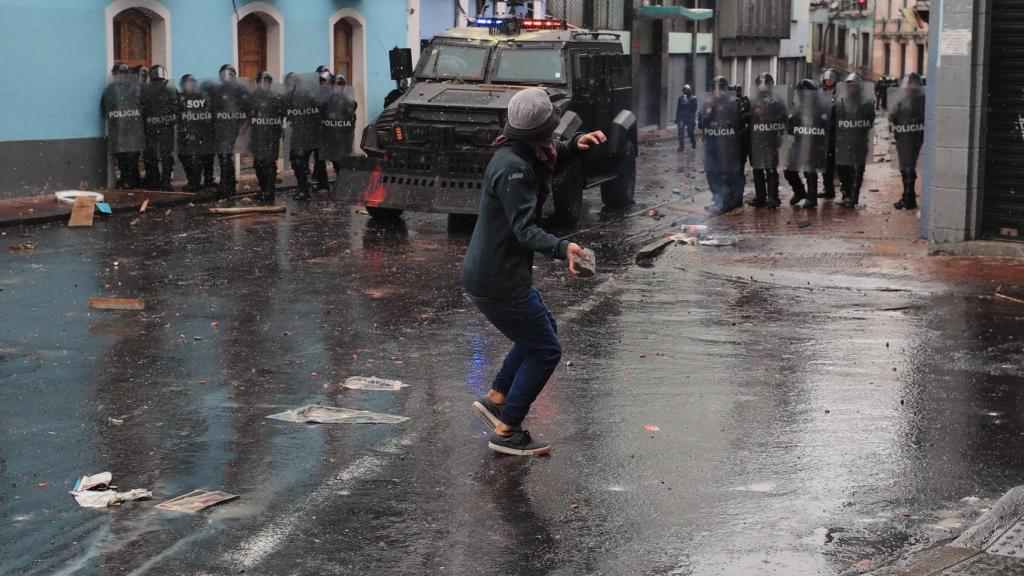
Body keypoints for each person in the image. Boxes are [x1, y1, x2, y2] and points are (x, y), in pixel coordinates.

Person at [463, 87, 604, 457]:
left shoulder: (523, 151)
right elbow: (523, 230)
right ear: (539, 131)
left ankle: (496, 399)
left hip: (499, 272)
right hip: (498, 279)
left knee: (541, 334)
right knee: (545, 350)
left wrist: (576, 145)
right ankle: (507, 430)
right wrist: (564, 248)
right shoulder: (514, 168)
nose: (554, 136)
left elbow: (553, 151)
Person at [698, 76, 745, 215]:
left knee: (728, 174)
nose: (717, 91)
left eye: (720, 88)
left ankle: (729, 200)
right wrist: (708, 114)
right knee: (712, 173)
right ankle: (719, 199)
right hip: (713, 144)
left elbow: (740, 121)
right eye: (715, 88)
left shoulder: (733, 103)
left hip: (728, 144)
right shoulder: (708, 104)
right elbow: (702, 124)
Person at [783, 79, 830, 209]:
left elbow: (825, 126)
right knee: (789, 171)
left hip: (814, 143)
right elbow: (791, 128)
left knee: (810, 171)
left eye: (806, 92)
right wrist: (790, 121)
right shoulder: (798, 108)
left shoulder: (820, 107)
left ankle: (812, 198)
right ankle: (799, 192)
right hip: (799, 143)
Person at [835, 73, 876, 208]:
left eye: (854, 85)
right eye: (849, 85)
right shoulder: (841, 100)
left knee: (857, 169)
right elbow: (836, 118)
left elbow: (870, 120)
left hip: (859, 139)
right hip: (844, 140)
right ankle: (846, 193)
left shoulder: (866, 102)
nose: (852, 87)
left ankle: (854, 196)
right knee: (843, 167)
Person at [747, 73, 787, 209]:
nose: (762, 86)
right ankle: (760, 196)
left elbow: (783, 117)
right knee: (757, 169)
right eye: (760, 83)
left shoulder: (777, 100)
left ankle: (773, 197)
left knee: (770, 169)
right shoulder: (752, 100)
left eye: (765, 83)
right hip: (756, 138)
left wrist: (767, 116)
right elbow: (746, 117)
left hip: (771, 138)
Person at [101, 63, 144, 189]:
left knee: (131, 158)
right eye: (118, 74)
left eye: (122, 74)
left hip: (132, 129)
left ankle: (131, 181)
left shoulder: (133, 88)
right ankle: (128, 180)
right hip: (120, 129)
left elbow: (141, 105)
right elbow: (105, 108)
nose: (119, 76)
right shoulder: (111, 90)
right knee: (123, 158)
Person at [211, 64, 250, 198]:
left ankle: (226, 187)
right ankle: (227, 185)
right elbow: (214, 107)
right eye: (223, 75)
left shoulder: (239, 90)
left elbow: (247, 108)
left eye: (228, 75)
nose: (225, 78)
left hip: (232, 127)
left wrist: (241, 124)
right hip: (220, 127)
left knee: (225, 156)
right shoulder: (218, 90)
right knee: (224, 157)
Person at [248, 71, 285, 204]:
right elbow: (247, 113)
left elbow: (283, 113)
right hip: (257, 134)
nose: (264, 84)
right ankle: (263, 189)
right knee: (258, 163)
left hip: (271, 135)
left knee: (269, 163)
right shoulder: (252, 97)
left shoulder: (276, 97)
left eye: (266, 82)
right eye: (261, 81)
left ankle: (269, 192)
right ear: (258, 83)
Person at [890, 73, 926, 210]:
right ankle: (907, 197)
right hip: (903, 137)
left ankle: (908, 198)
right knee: (904, 169)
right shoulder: (901, 100)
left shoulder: (921, 100)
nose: (908, 87)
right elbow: (893, 115)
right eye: (907, 84)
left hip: (914, 137)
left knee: (908, 168)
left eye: (911, 84)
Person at [140, 64, 178, 190]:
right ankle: (166, 180)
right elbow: (177, 107)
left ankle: (153, 180)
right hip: (167, 127)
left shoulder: (145, 89)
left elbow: (142, 108)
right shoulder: (171, 88)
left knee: (151, 154)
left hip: (150, 127)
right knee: (166, 154)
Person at [285, 73, 321, 200]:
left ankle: (305, 189)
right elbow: (280, 108)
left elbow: (320, 109)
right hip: (299, 132)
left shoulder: (308, 96)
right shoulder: (289, 97)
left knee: (299, 160)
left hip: (308, 132)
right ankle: (304, 187)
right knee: (298, 161)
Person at [177, 74, 215, 192]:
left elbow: (209, 112)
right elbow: (177, 113)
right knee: (186, 156)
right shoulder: (181, 97)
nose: (191, 85)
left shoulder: (202, 96)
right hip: (187, 132)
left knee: (203, 157)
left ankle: (198, 182)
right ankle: (195, 181)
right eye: (188, 82)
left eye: (193, 82)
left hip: (202, 131)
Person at [320, 74, 358, 174]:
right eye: (336, 85)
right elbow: (322, 112)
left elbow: (351, 115)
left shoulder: (348, 99)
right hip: (332, 134)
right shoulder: (329, 99)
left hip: (343, 135)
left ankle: (345, 183)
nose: (337, 87)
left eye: (340, 85)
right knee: (335, 161)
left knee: (341, 162)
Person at [818, 68, 840, 200]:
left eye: (831, 78)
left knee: (836, 163)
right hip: (823, 132)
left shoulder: (840, 93)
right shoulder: (821, 93)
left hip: (836, 132)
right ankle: (828, 188)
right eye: (827, 78)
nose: (829, 80)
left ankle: (844, 191)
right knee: (825, 163)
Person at [311, 68, 333, 191]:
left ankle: (343, 183)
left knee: (336, 158)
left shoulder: (333, 92)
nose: (322, 82)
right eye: (320, 80)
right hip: (319, 128)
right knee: (319, 157)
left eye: (323, 80)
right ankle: (322, 183)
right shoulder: (317, 93)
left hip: (331, 129)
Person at [675, 84, 697, 152]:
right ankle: (681, 147)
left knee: (690, 131)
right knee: (680, 132)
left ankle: (693, 144)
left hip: (690, 117)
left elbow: (694, 109)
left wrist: (693, 119)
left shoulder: (694, 98)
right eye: (685, 91)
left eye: (687, 91)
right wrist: (677, 119)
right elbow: (679, 109)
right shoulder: (681, 98)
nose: (686, 92)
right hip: (682, 117)